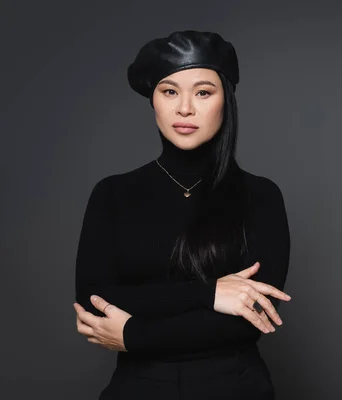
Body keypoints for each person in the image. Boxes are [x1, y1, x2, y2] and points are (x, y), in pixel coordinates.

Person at [72, 30, 291, 399]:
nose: (185, 108)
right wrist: (210, 294)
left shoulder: (260, 195)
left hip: (235, 387)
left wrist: (133, 334)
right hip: (138, 389)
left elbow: (251, 321)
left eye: (203, 92)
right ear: (153, 101)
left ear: (226, 100)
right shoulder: (112, 193)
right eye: (169, 91)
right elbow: (94, 300)